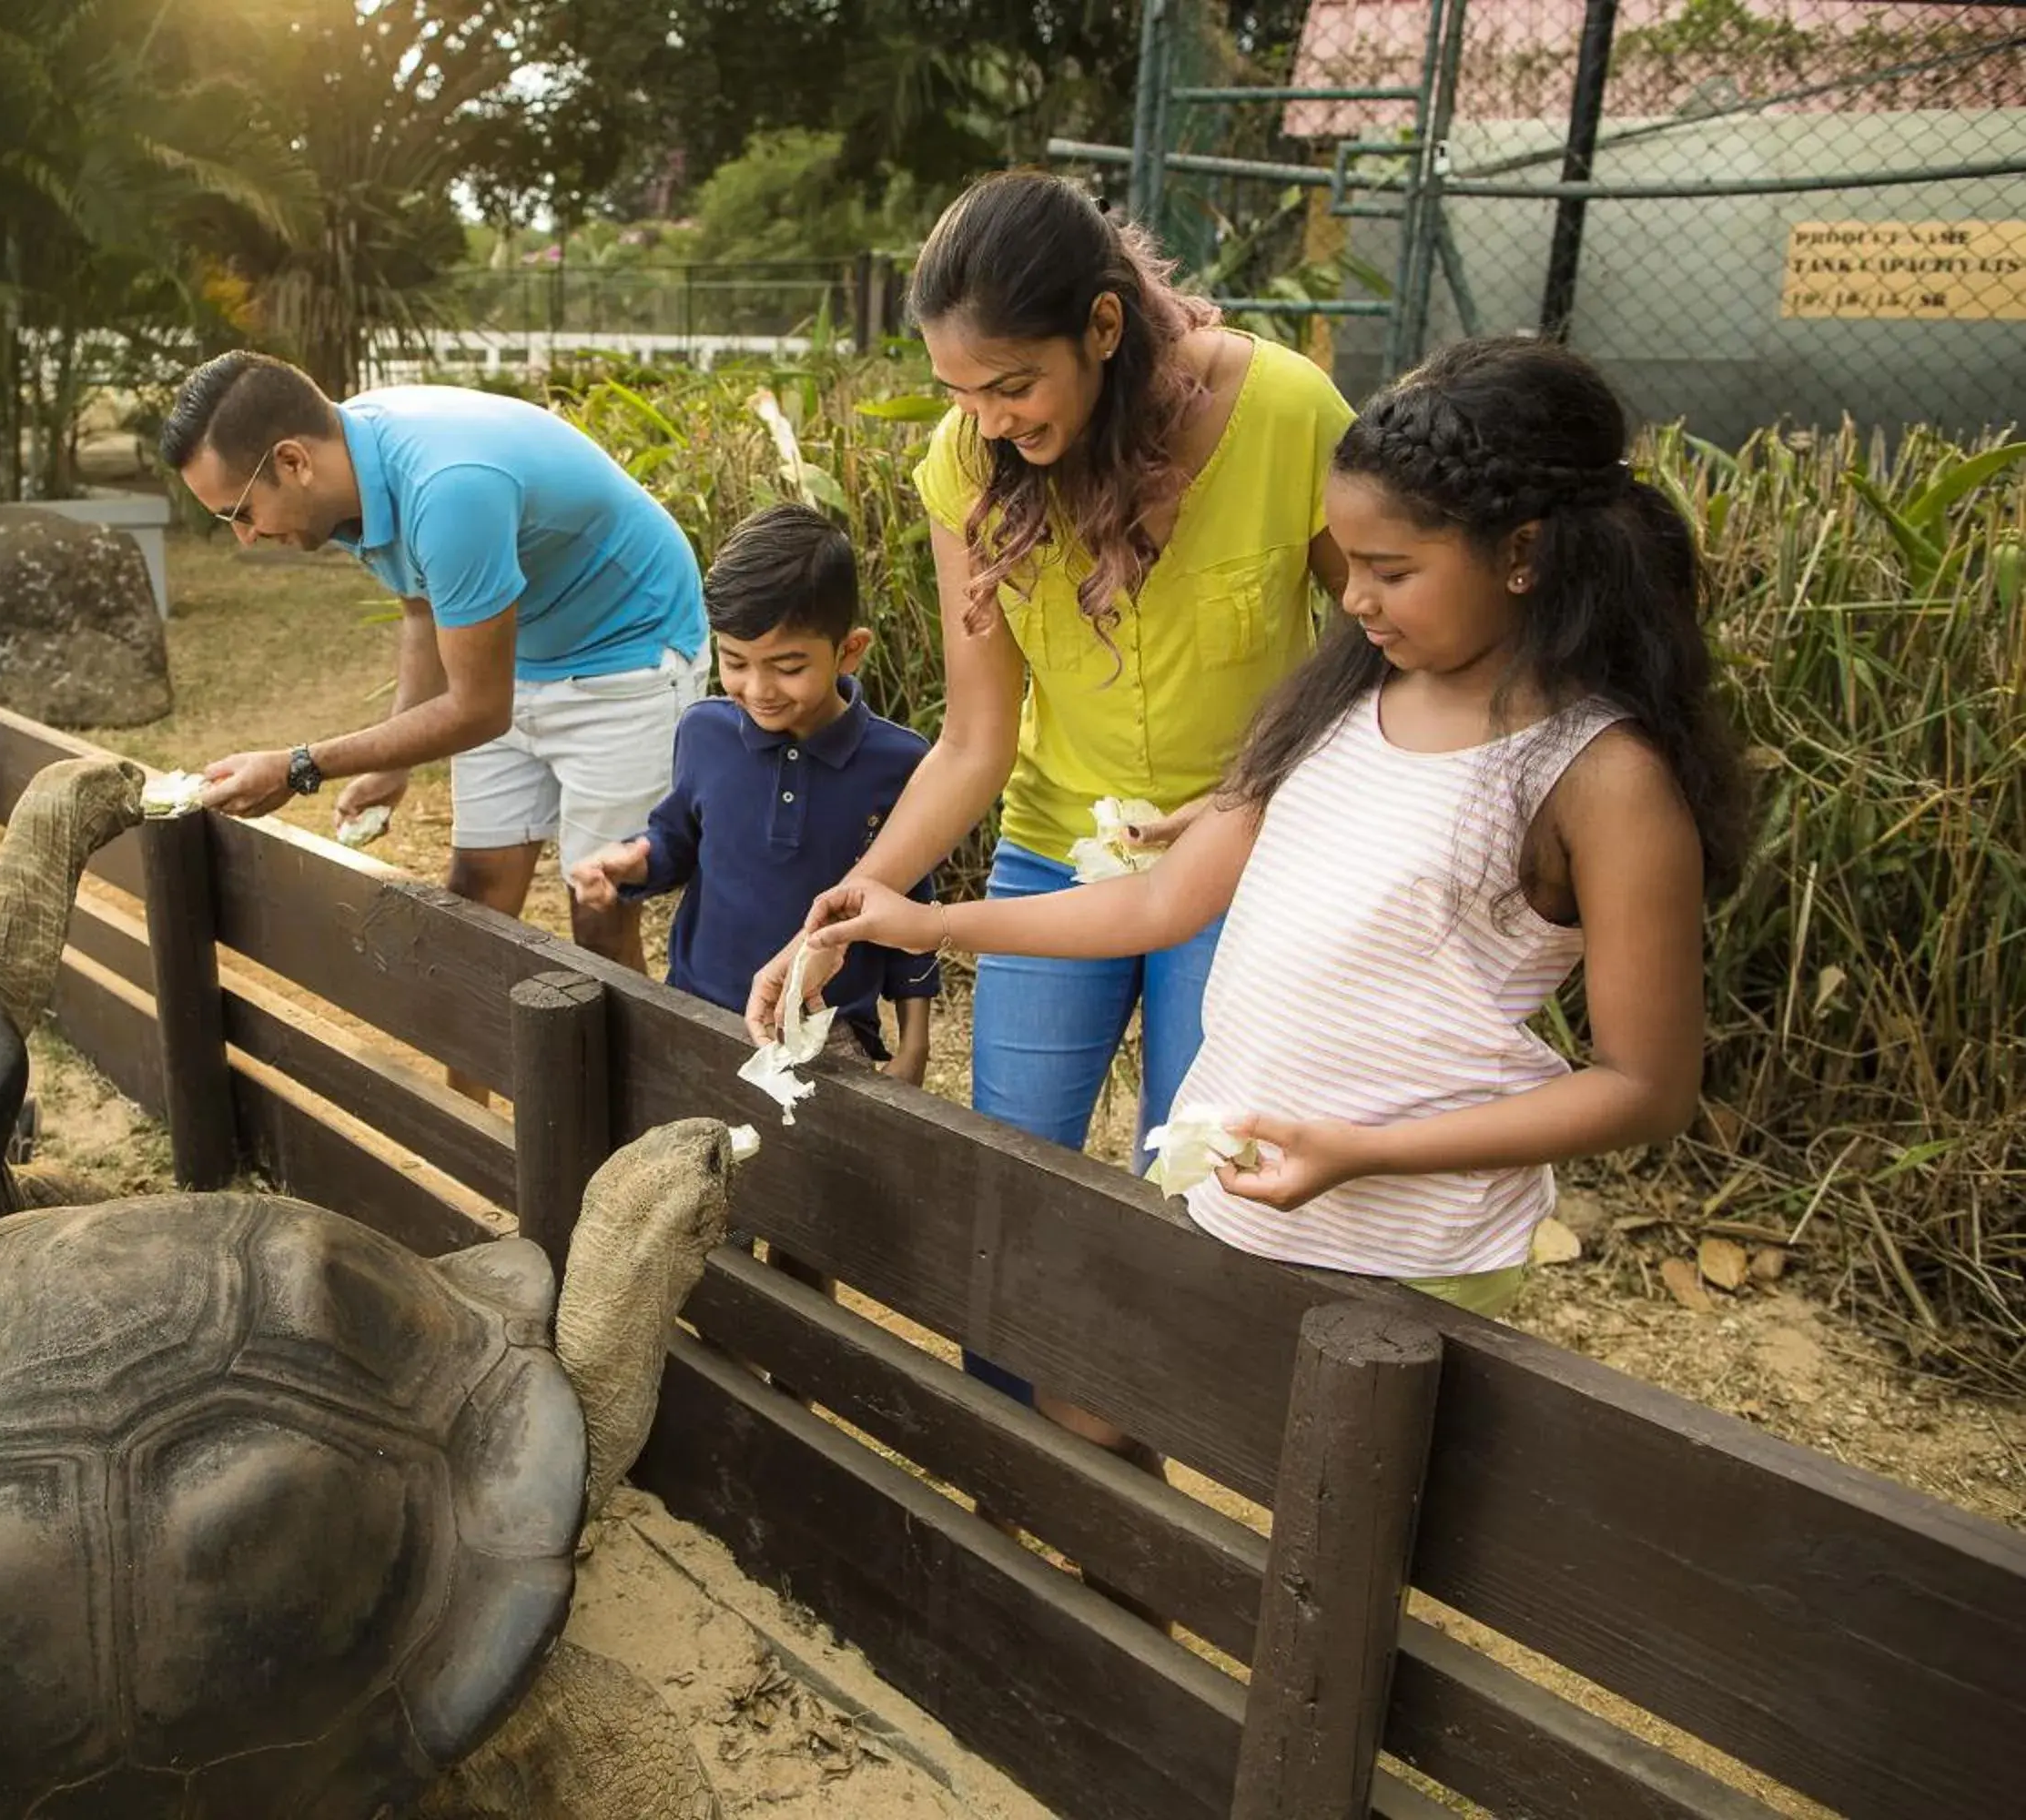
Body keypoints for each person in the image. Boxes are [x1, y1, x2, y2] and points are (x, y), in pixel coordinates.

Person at [791, 336, 1749, 1319]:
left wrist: (1361, 1153)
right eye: (1352, 562)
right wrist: (924, 922)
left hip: (1406, 1249)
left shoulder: (1604, 778)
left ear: (1523, 552)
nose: (1354, 596)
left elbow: (1647, 1085)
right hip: (1239, 1194)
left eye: (1390, 569)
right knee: (1093, 1408)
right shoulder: (1347, 694)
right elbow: (1164, 900)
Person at [744, 168, 1355, 1440]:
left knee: (1186, 1199)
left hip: (1249, 865)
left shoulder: (1289, 412)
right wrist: (860, 903)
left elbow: (1381, 644)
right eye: (961, 392)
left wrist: (1279, 792)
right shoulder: (965, 462)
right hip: (1048, 851)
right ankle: (1013, 1477)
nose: (989, 421)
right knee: (1006, 1184)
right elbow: (977, 739)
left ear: (1106, 326)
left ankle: (1140, 1483)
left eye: (1012, 385)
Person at [162, 351, 708, 1002]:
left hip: (628, 655)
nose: (245, 538)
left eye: (241, 512)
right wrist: (394, 755)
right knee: (475, 896)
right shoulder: (345, 478)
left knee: (598, 914)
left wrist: (298, 766)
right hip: (519, 653)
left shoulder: (448, 486)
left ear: (292, 462)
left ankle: (636, 1107)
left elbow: (478, 710)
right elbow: (421, 604)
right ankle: (462, 1106)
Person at [569, 502, 939, 1294]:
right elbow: (677, 842)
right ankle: (723, 1369)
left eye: (787, 665)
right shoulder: (704, 730)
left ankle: (790, 1394)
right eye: (734, 660)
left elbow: (913, 907)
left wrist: (913, 1042)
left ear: (850, 650)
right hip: (703, 1014)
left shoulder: (900, 765)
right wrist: (632, 863)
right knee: (705, 1215)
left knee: (811, 1227)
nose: (756, 687)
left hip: (830, 1040)